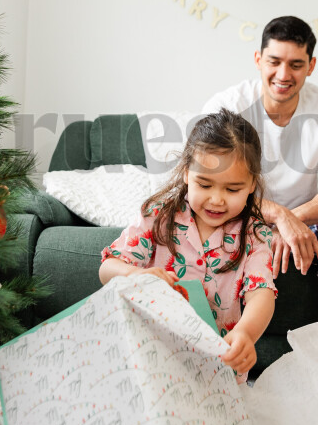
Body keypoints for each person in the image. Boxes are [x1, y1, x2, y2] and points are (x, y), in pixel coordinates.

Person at [203, 16, 318, 339]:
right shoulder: (227, 106)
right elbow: (213, 191)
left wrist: (292, 220)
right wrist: (278, 216)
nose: (283, 75)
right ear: (258, 60)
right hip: (238, 217)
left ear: (311, 66)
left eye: (296, 64)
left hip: (305, 223)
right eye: (274, 62)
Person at [100, 108, 276, 379]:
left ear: (252, 184)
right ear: (186, 173)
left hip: (214, 369)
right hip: (150, 361)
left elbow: (261, 294)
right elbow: (107, 268)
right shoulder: (158, 216)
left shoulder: (255, 235)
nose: (216, 200)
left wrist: (245, 333)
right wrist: (135, 275)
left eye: (232, 189)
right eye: (204, 185)